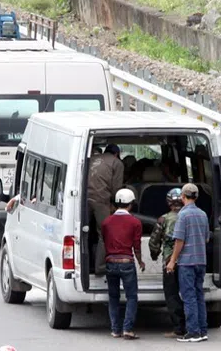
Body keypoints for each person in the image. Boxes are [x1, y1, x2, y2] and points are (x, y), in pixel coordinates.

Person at [166, 183, 210, 343]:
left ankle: (192, 332)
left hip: (187, 263)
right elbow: (206, 238)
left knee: (189, 297)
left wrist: (172, 261)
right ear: (196, 197)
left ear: (183, 197)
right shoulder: (203, 214)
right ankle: (202, 330)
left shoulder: (182, 216)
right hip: (201, 261)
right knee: (199, 296)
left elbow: (179, 240)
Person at [101, 188, 145, 340]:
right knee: (131, 297)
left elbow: (105, 240)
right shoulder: (135, 222)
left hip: (110, 262)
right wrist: (140, 261)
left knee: (113, 297)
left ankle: (115, 330)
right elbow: (136, 246)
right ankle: (127, 329)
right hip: (127, 263)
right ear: (131, 204)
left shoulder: (106, 222)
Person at [148, 188, 186, 338]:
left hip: (170, 262)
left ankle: (178, 328)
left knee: (172, 295)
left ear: (169, 202)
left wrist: (154, 255)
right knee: (189, 295)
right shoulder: (188, 216)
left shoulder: (163, 219)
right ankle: (193, 325)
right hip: (188, 261)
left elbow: (154, 242)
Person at [87, 143, 124, 275]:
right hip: (101, 200)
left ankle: (85, 266)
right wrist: (115, 205)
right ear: (116, 154)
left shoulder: (90, 159)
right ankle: (100, 267)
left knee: (83, 232)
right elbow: (117, 189)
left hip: (83, 200)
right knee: (104, 233)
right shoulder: (117, 163)